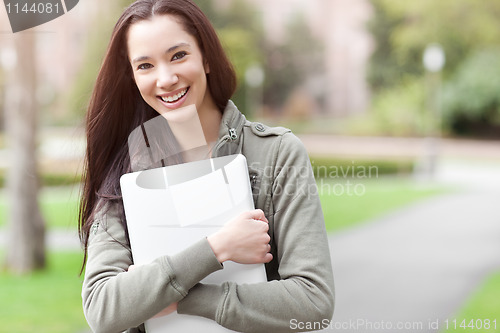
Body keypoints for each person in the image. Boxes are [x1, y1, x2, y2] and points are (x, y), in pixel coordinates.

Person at [79, 0, 334, 332]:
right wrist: (220, 246)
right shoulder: (126, 171)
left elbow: (313, 303)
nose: (166, 78)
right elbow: (103, 308)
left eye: (178, 56)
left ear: (207, 57)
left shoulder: (276, 154)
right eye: (145, 66)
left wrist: (181, 298)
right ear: (132, 77)